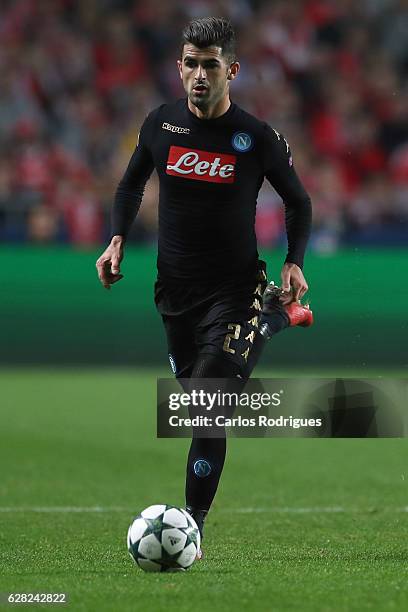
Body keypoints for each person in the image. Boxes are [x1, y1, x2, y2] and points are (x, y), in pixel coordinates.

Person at [96, 17, 313, 555]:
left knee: (209, 405)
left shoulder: (257, 137)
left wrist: (294, 262)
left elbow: (299, 201)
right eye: (190, 63)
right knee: (199, 399)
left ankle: (190, 523)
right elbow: (129, 184)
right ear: (179, 66)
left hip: (234, 288)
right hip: (175, 295)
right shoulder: (160, 125)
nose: (198, 74)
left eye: (210, 65)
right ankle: (280, 316)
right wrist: (117, 238)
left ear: (231, 70)